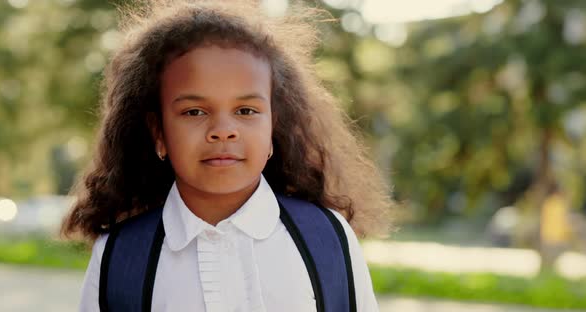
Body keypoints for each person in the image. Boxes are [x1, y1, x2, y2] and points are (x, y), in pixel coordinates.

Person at [60, 0, 392, 311]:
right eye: (194, 112)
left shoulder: (325, 237)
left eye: (246, 110)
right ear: (158, 133)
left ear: (274, 127)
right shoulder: (121, 255)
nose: (222, 130)